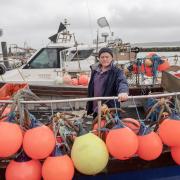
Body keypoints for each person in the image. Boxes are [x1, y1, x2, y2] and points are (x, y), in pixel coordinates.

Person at [86, 47, 129, 117]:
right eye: (102, 57)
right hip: (96, 108)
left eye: (107, 57)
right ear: (99, 58)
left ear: (111, 58)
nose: (104, 59)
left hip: (109, 109)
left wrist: (123, 92)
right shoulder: (95, 71)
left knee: (111, 127)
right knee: (96, 126)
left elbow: (122, 82)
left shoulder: (117, 71)